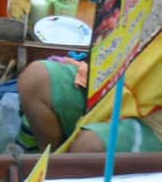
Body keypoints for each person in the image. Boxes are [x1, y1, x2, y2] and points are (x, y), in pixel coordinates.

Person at [19, 39, 162, 153]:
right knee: (35, 79)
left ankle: (67, 174)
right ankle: (52, 164)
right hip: (122, 75)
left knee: (88, 146)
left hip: (153, 122)